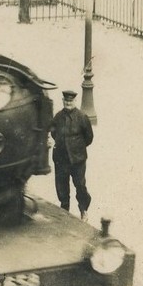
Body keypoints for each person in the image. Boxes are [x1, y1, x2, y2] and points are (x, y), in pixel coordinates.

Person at [51, 90, 93, 218]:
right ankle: (64, 209)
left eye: (70, 101)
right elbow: (54, 133)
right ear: (63, 101)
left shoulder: (82, 117)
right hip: (61, 158)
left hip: (77, 159)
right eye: (66, 101)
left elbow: (89, 137)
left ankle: (83, 209)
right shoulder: (58, 117)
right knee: (61, 185)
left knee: (80, 185)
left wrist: (77, 147)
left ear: (74, 101)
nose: (68, 103)